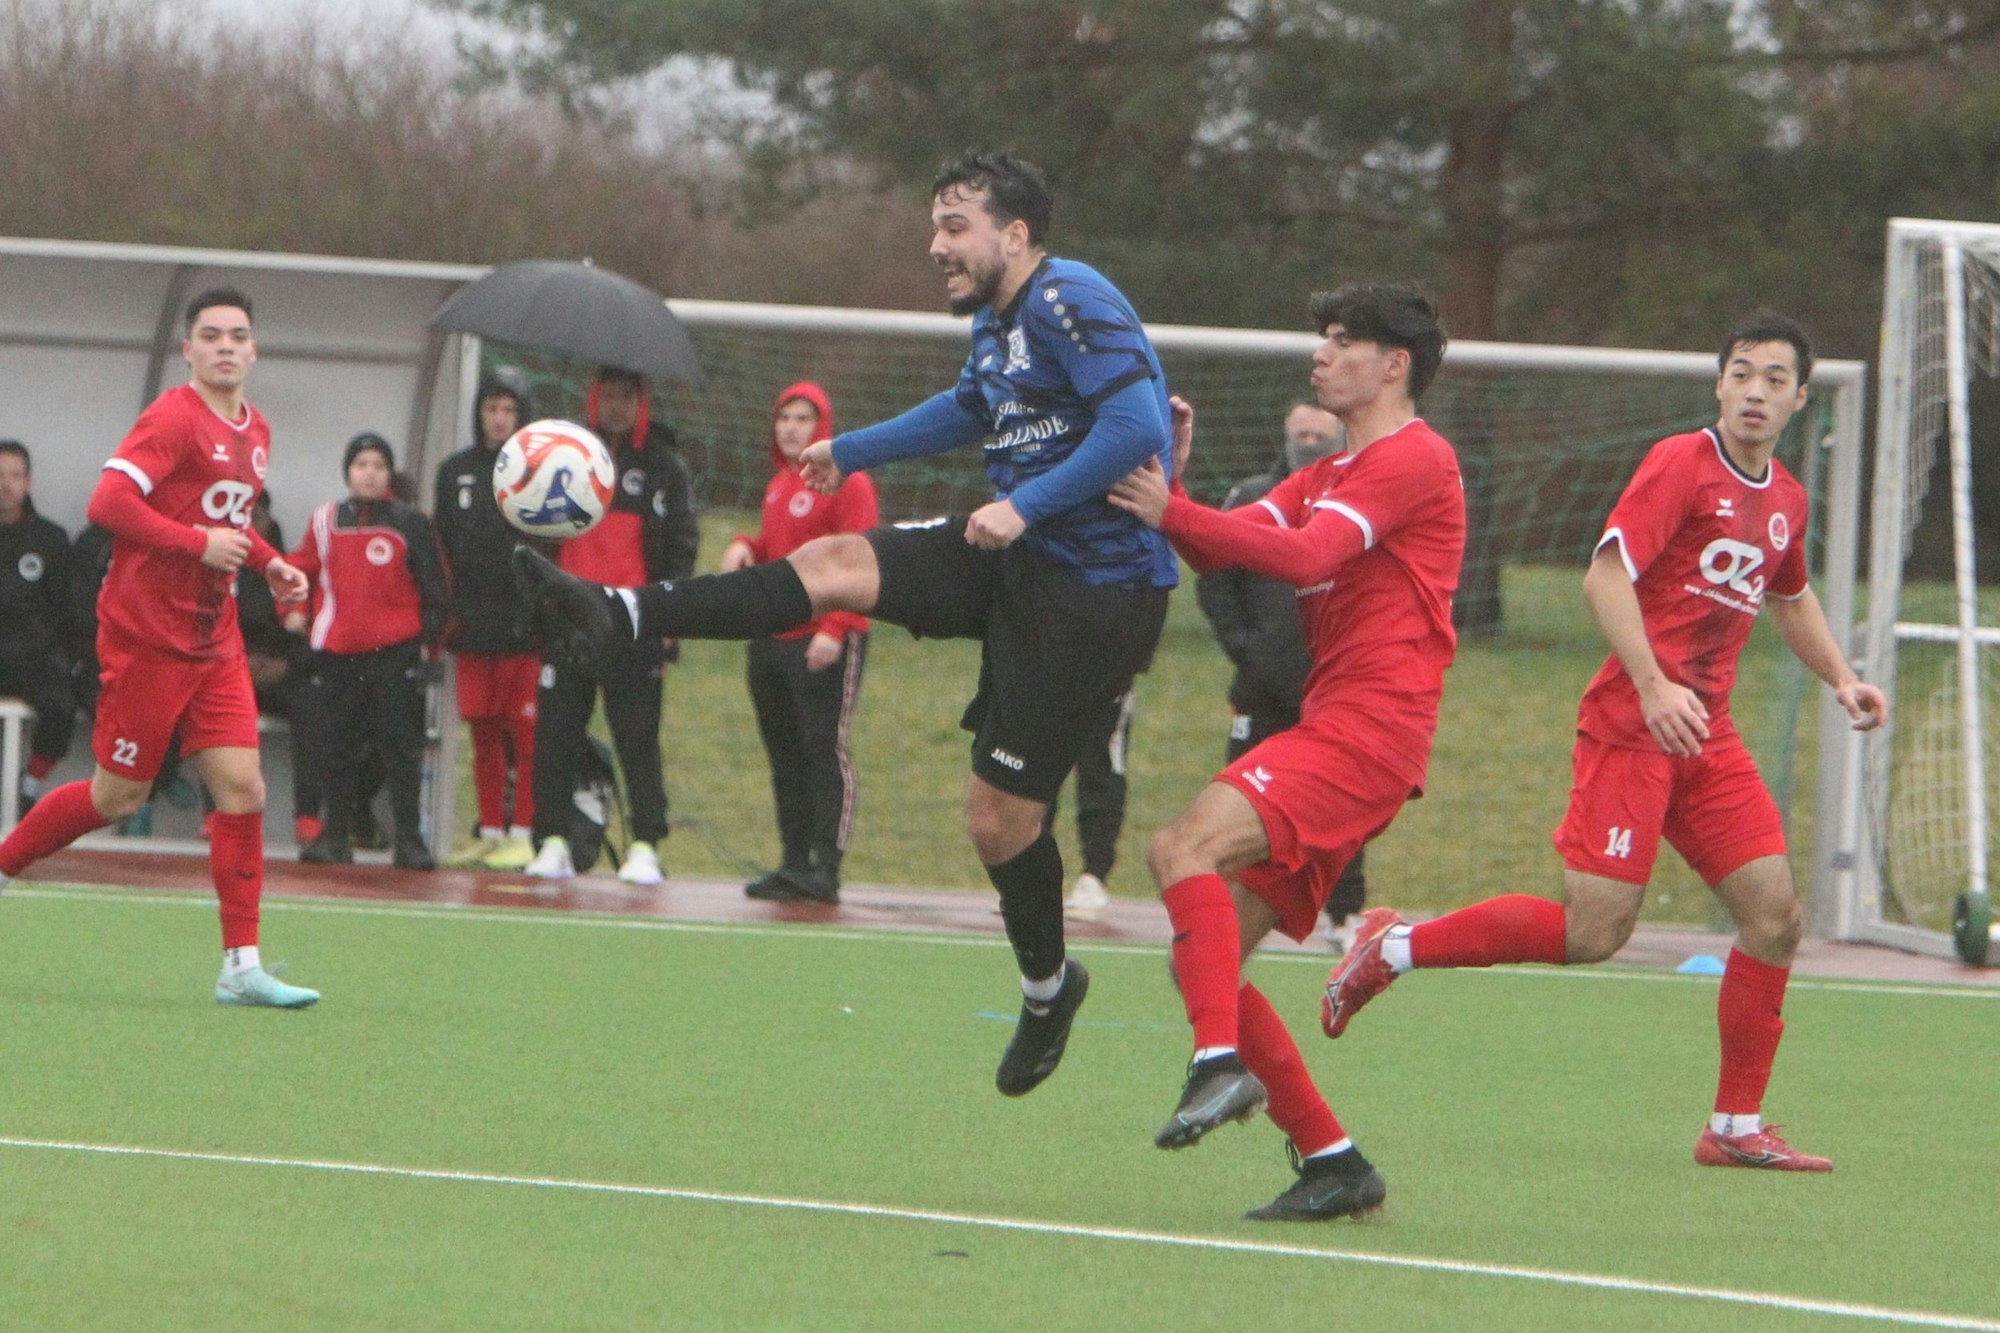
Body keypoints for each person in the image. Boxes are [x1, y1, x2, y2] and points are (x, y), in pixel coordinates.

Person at [518, 150, 1175, 1097]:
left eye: (956, 226)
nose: (936, 244)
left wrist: (1026, 506)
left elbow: (1138, 427)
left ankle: (1046, 986)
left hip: (1095, 598)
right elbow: (965, 409)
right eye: (935, 225)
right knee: (832, 564)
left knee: (996, 822)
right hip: (1018, 558)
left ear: (1017, 235)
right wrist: (848, 448)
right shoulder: (997, 326)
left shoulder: (1073, 300)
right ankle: (618, 611)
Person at [1322, 311, 1888, 1174]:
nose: (1756, 390)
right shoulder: (1680, 463)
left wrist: (1842, 677)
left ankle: (1735, 1124)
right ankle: (1393, 946)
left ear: (1801, 399)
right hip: (1633, 723)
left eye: (1776, 378)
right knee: (1594, 932)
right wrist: (1655, 684)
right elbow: (1605, 572)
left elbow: (1790, 595)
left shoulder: (1786, 498)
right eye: (1742, 372)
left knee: (1776, 917)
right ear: (1719, 384)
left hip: (1708, 734)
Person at [1111, 282, 1460, 1221]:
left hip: (1367, 730)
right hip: (1342, 730)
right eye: (1323, 338)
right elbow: (1224, 549)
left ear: (1393, 366)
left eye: (1343, 341)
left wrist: (1164, 509)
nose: (1321, 354)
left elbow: (1308, 561)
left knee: (1177, 848)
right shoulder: (1322, 475)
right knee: (1204, 958)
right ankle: (1334, 1162)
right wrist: (1173, 489)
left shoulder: (1413, 458)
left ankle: (1217, 1063)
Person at [0, 287, 319, 1007]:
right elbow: (108, 503)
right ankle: (5, 862)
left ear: (255, 348)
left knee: (243, 788)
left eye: (239, 334)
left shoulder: (256, 428)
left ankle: (241, 965)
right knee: (118, 796)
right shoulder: (172, 417)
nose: (227, 346)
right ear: (189, 350)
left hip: (215, 642)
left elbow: (226, 518)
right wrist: (197, 545)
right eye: (212, 336)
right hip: (148, 638)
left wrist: (268, 561)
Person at [1194, 401, 1370, 948]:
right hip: (1261, 689)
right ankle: (1230, 916)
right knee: (1239, 803)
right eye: (1301, 433)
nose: (1309, 441)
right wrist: (1249, 649)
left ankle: (1344, 915)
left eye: (1320, 434)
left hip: (1334, 692)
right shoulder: (1252, 497)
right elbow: (1214, 572)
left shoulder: (1358, 497)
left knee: (1341, 807)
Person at [524, 367, 700, 884]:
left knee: (637, 737)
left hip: (633, 622)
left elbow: (681, 541)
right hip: (570, 620)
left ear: (642, 403)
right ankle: (551, 840)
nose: (617, 407)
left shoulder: (663, 465)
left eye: (628, 398)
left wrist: (670, 613)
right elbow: (537, 530)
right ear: (593, 400)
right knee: (556, 734)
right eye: (609, 397)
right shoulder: (567, 456)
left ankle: (645, 843)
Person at [725, 381, 877, 905]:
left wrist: (834, 629)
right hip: (774, 637)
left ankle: (825, 867)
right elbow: (779, 549)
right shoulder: (778, 485)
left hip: (824, 638)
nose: (790, 428)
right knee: (783, 751)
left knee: (822, 748)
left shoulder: (848, 483)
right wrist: (746, 546)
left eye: (802, 419)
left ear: (823, 427)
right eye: (783, 417)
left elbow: (856, 561)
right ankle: (792, 862)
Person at [289, 433, 449, 870]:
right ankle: (335, 835)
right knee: (336, 744)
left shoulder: (410, 523)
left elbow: (435, 588)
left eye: (379, 465)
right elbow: (298, 573)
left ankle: (409, 840)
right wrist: (296, 610)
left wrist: (423, 640)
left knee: (401, 746)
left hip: (394, 654)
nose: (370, 473)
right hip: (338, 652)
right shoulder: (324, 519)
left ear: (389, 474)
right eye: (362, 464)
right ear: (348, 472)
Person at [433, 369, 541, 870]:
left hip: (524, 625)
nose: (498, 419)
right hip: (473, 625)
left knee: (525, 733)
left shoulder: (538, 470)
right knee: (482, 731)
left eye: (509, 411)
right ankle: (491, 829)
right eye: (491, 409)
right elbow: (443, 549)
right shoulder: (455, 470)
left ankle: (524, 830)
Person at [0, 440, 77, 814]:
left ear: (28, 483)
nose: (6, 485)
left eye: (15, 476)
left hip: (33, 659)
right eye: (0, 475)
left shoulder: (51, 539)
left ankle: (29, 787)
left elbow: (64, 607)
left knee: (63, 700)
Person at [1053, 688, 1137, 922]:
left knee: (1101, 770)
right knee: (1033, 773)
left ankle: (1094, 876)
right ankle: (1027, 876)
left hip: (1106, 675)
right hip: (1044, 673)